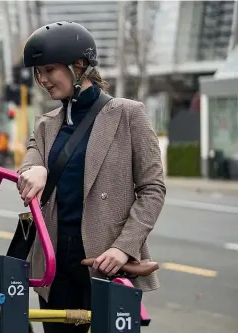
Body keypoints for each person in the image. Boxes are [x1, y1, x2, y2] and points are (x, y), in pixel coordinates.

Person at [16, 21, 166, 333]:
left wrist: (124, 247)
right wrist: (36, 169)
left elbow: (152, 188)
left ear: (79, 65)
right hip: (55, 261)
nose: (42, 80)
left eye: (50, 69)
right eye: (37, 72)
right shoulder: (46, 124)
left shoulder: (128, 114)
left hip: (105, 259)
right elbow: (28, 165)